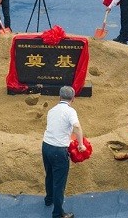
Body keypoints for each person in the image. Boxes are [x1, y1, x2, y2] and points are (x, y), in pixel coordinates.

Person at [42, 86, 85, 218]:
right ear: (73, 98)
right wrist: (81, 144)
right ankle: (58, 214)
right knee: (59, 183)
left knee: (49, 175)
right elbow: (76, 126)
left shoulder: (52, 110)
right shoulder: (70, 111)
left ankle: (48, 199)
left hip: (46, 146)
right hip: (59, 150)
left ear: (59, 97)